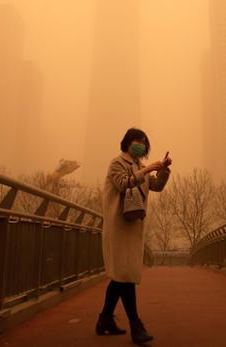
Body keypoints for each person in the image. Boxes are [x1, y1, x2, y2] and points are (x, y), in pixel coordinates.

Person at [96, 127, 172, 345]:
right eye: (137, 141)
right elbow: (122, 183)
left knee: (121, 275)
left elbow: (156, 186)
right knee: (125, 275)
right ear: (127, 142)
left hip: (134, 226)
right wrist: (147, 170)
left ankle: (105, 320)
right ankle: (136, 325)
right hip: (119, 226)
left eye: (143, 142)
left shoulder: (139, 166)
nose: (141, 145)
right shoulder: (116, 163)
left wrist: (163, 170)